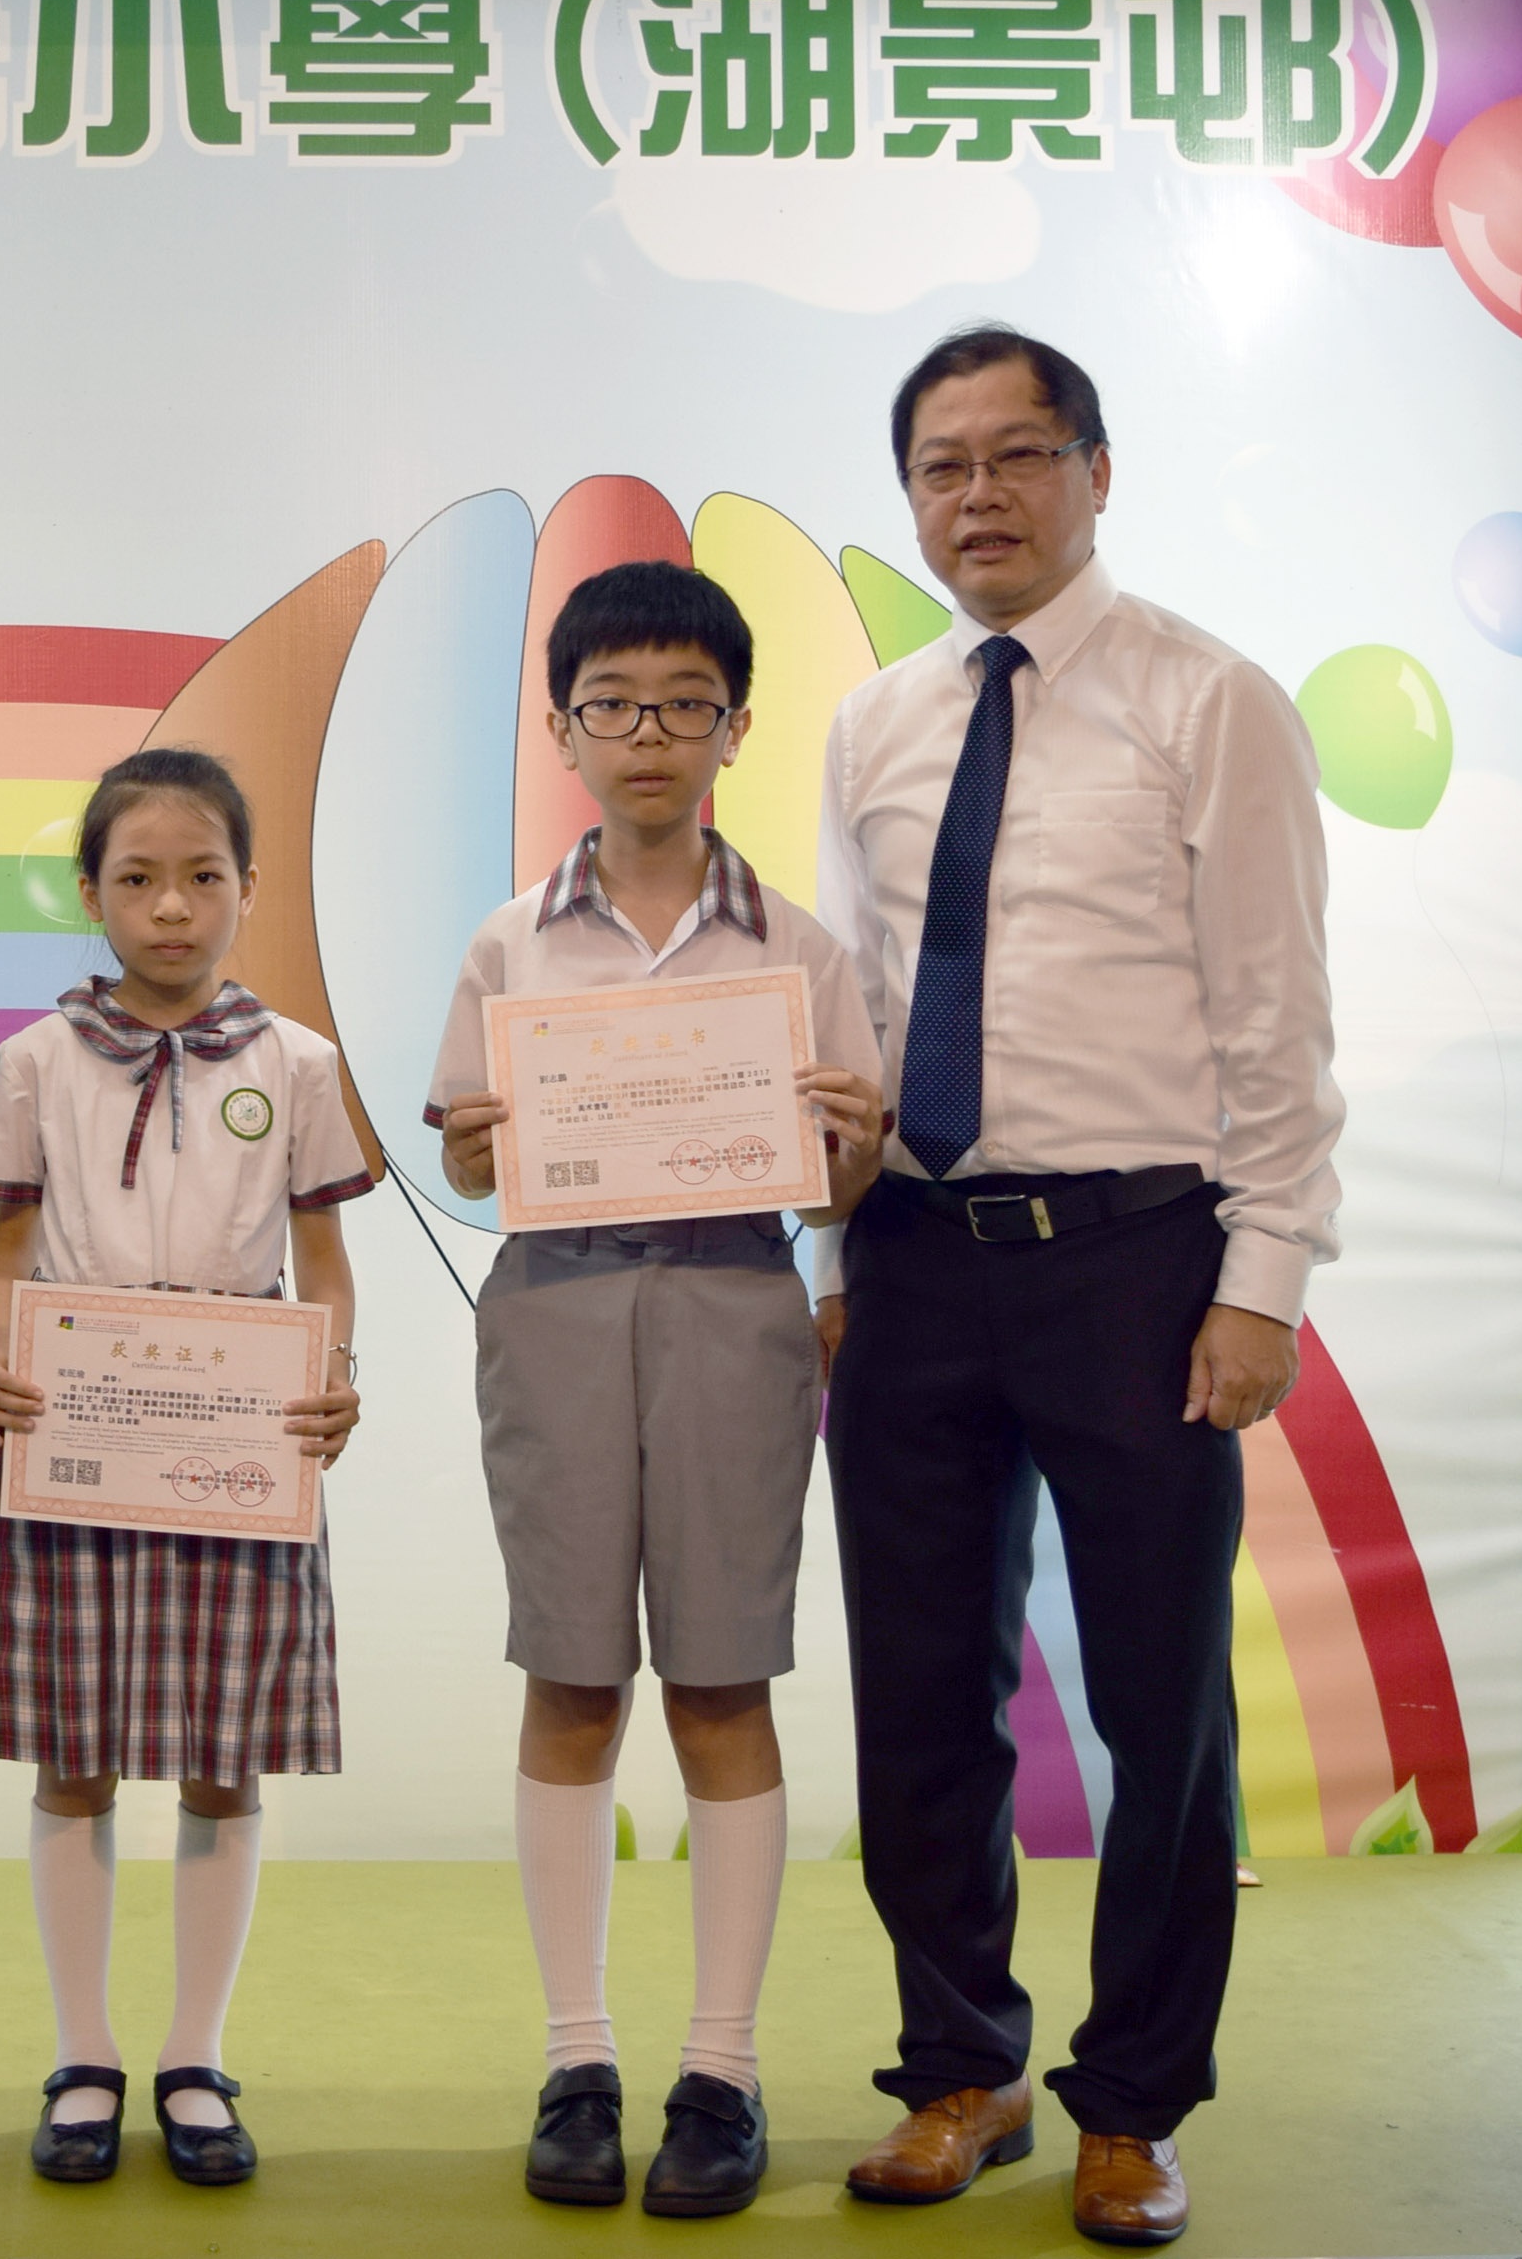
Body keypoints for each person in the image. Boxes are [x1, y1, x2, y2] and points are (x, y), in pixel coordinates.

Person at [813, 327, 1342, 2247]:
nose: (981, 496)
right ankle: (960, 2071)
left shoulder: (1214, 702)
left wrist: (1263, 1279)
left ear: (1097, 473)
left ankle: (1134, 2104)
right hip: (910, 1259)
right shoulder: (873, 725)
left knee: (1159, 1704)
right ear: (912, 499)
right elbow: (857, 1024)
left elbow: (1277, 1019)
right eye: (941, 466)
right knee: (919, 1696)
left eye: (1019, 455)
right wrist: (830, 1248)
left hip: (1139, 1262)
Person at [425, 561, 885, 2217]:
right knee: (570, 1679)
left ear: (735, 729)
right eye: (612, 704)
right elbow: (470, 1161)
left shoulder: (800, 948)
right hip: (554, 1302)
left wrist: (853, 1149)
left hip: (736, 1305)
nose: (647, 734)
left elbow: (839, 1187)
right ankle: (578, 2061)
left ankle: (723, 2072)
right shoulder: (508, 939)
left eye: (685, 704)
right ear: (562, 729)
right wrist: (480, 1142)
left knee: (719, 1682)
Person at [0, 747, 369, 2189]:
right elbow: (9, 1246)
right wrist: (2, 1362)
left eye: (203, 876)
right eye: (138, 878)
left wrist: (335, 1375)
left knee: (220, 1758)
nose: (172, 907)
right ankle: (84, 2055)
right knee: (73, 1758)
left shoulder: (298, 1062)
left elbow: (323, 1257)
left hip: (238, 1443)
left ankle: (195, 2056)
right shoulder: (35, 1059)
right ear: (91, 892)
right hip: (73, 1439)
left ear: (249, 889)